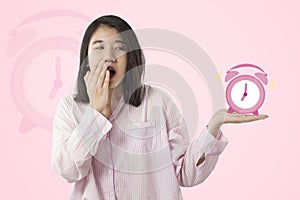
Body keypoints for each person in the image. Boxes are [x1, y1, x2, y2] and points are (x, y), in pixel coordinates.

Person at [51, 15, 268, 200]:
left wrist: (214, 125)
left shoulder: (158, 101)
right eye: (99, 47)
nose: (109, 56)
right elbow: (68, 170)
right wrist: (96, 114)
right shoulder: (70, 107)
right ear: (86, 59)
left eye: (119, 47)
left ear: (131, 58)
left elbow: (185, 174)